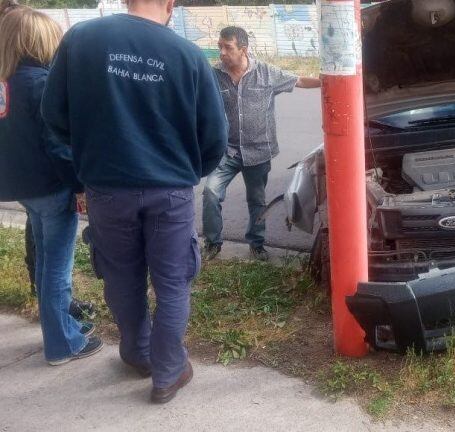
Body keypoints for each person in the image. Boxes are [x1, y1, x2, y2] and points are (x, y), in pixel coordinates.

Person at [41, 0, 227, 403]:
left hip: (106, 189)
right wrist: (185, 174)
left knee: (121, 278)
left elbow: (53, 118)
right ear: (170, 5)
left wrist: (80, 177)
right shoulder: (189, 55)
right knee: (173, 283)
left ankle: (138, 354)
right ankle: (167, 372)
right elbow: (215, 137)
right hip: (170, 191)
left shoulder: (80, 39)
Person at [0, 7, 103, 365]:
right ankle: (62, 343)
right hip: (51, 187)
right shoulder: (41, 83)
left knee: (46, 263)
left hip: (22, 189)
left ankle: (61, 326)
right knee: (56, 267)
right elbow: (58, 145)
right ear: (38, 41)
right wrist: (79, 186)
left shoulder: (6, 83)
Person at [202, 26, 321, 261]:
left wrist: (328, 82)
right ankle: (213, 243)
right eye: (220, 47)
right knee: (210, 193)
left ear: (243, 49)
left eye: (228, 47)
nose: (222, 53)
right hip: (227, 151)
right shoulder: (213, 74)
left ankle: (257, 244)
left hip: (258, 151)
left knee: (257, 200)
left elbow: (298, 81)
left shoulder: (266, 73)